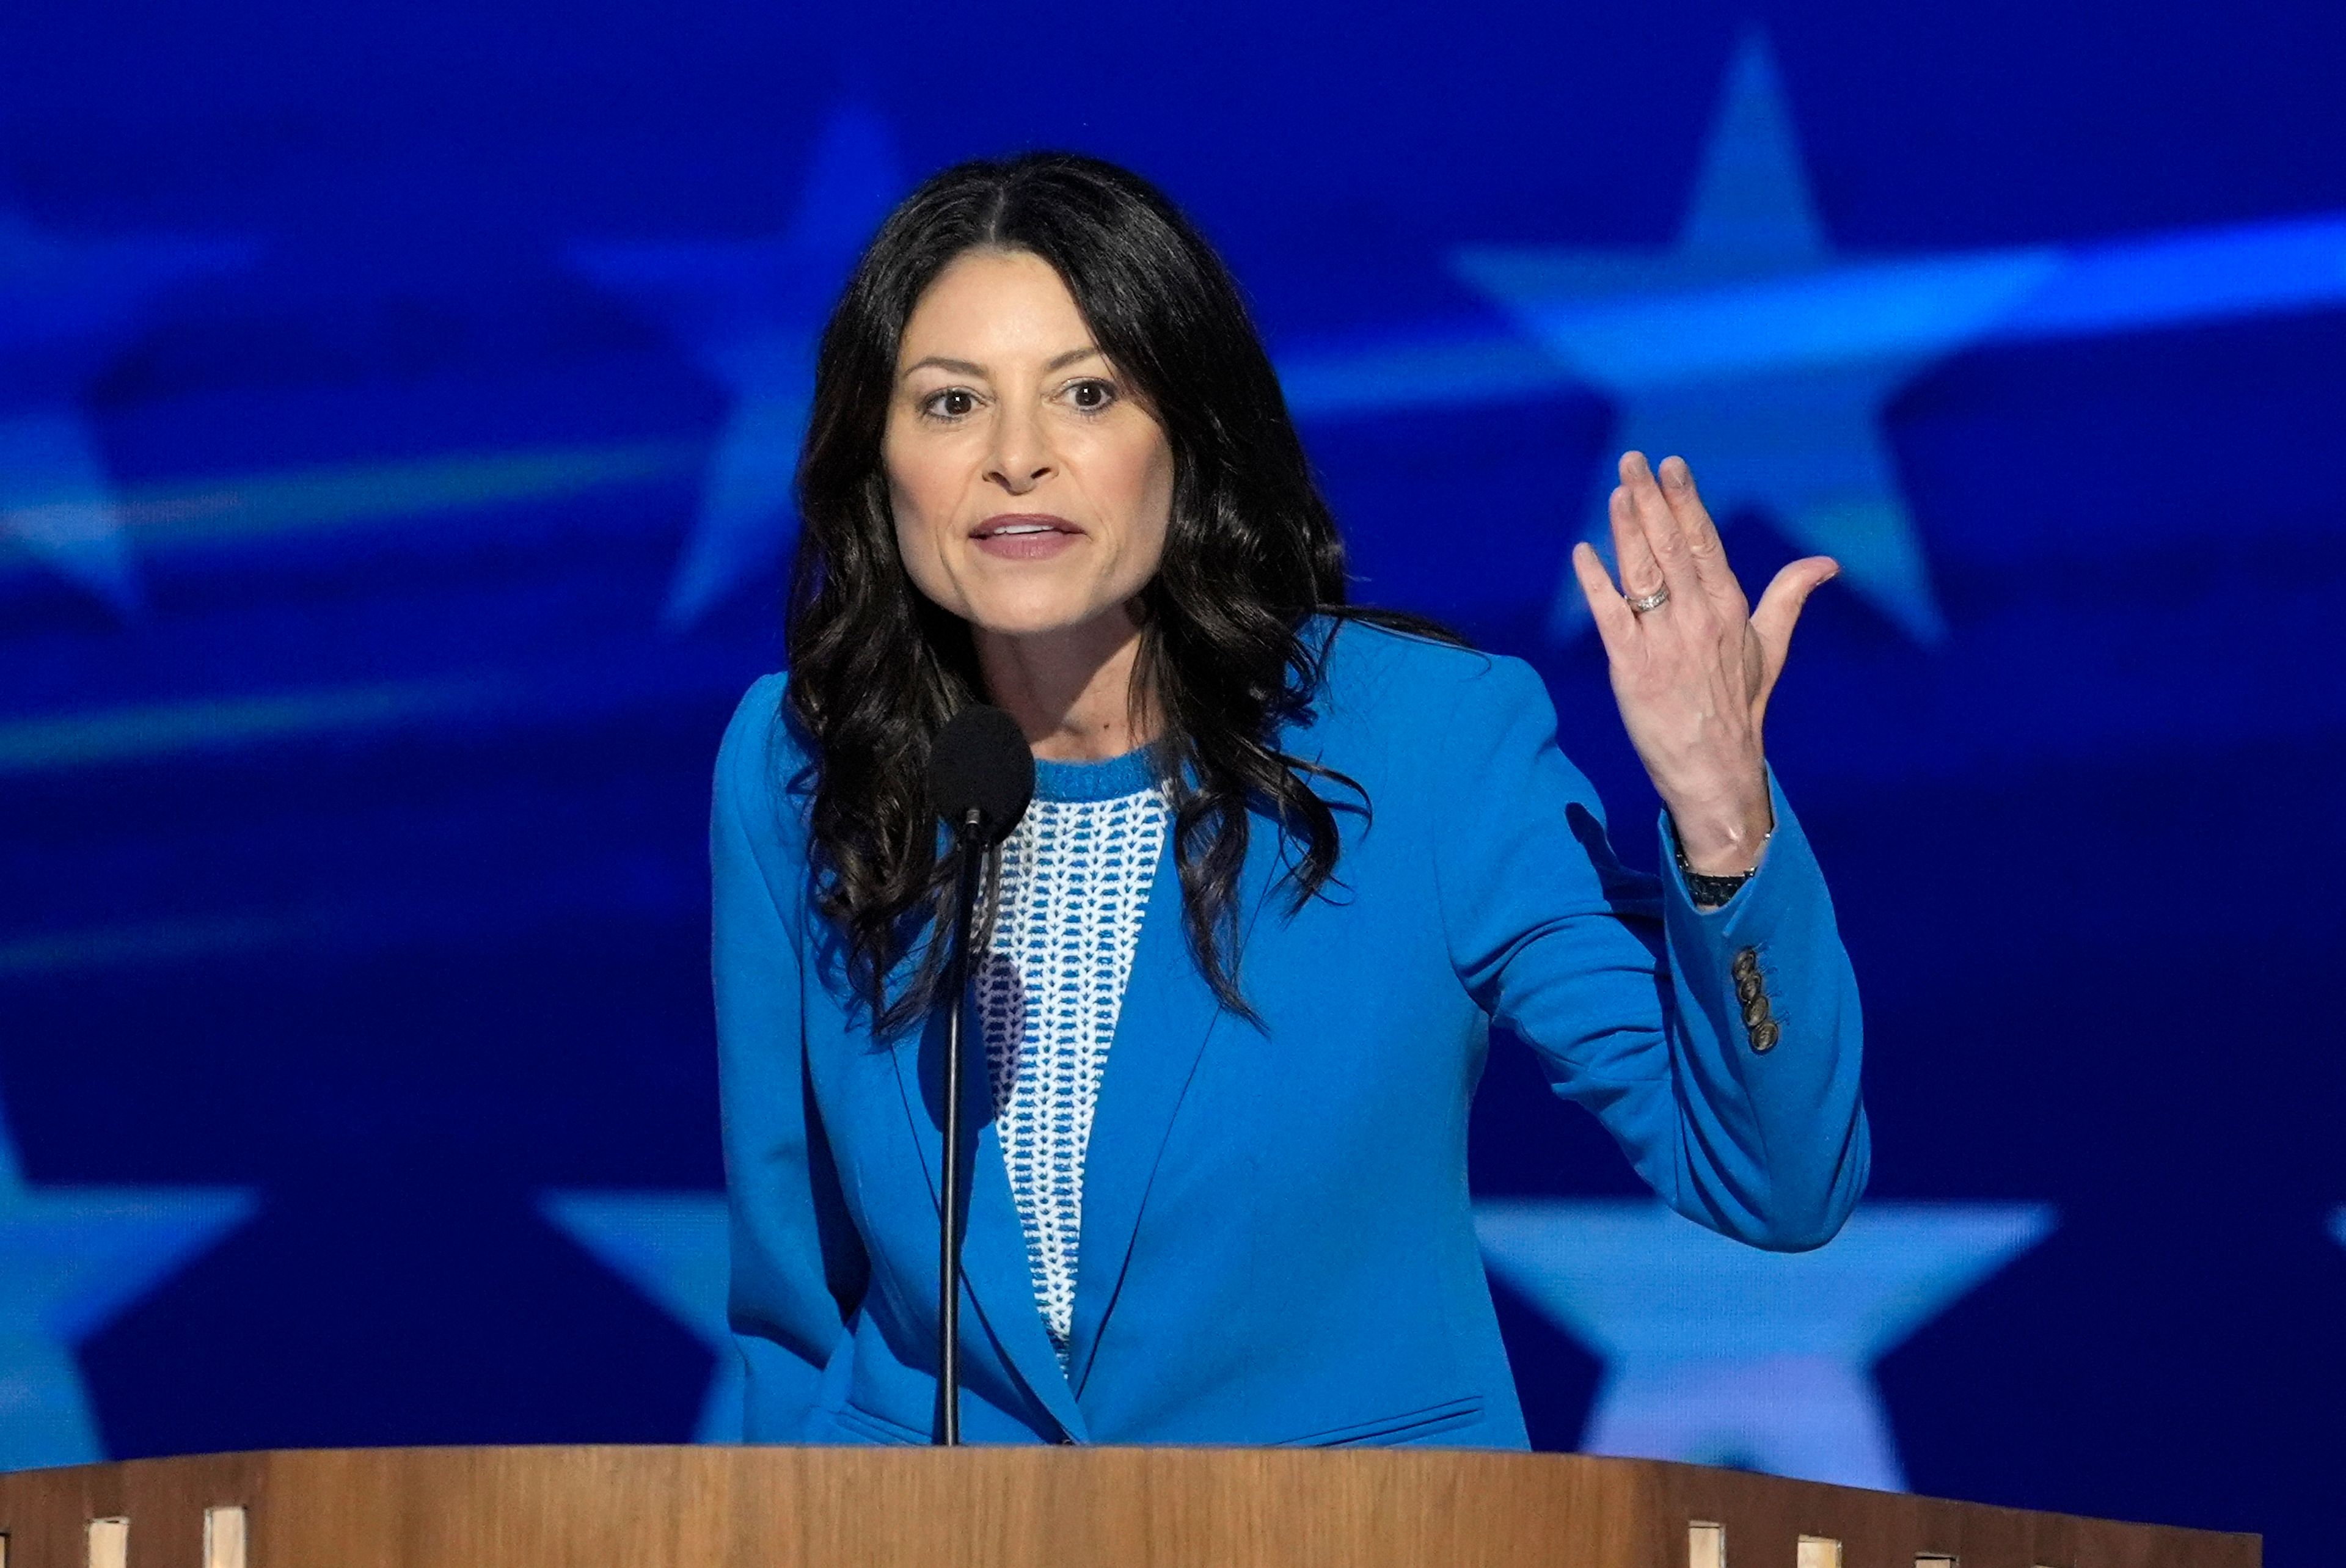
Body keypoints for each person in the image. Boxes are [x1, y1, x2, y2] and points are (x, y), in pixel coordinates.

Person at [712, 152, 1867, 1448]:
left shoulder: (1422, 742)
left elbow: (1774, 1184)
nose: (1016, 460)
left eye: (1086, 393)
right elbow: (793, 1313)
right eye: (950, 405)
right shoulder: (797, 764)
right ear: (878, 454)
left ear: (1187, 437)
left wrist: (1724, 823)